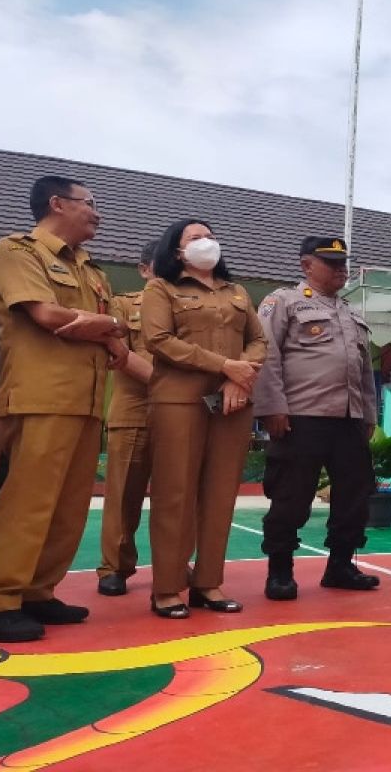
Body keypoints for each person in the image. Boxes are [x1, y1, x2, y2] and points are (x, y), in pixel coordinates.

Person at [0, 175, 128, 643]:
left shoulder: (91, 269)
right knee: (29, 502)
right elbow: (48, 316)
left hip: (85, 399)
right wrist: (110, 324)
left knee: (69, 506)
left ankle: (38, 591)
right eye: (90, 203)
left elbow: (108, 338)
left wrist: (104, 328)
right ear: (57, 203)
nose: (96, 212)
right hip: (41, 395)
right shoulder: (16, 251)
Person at [142, 219, 266, 618]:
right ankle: (167, 588)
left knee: (220, 494)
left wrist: (239, 379)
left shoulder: (237, 292)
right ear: (177, 251)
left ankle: (208, 583)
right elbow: (158, 340)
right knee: (174, 493)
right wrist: (226, 366)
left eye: (211, 236)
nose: (206, 243)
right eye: (195, 238)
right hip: (179, 400)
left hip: (231, 403)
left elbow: (258, 339)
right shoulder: (162, 287)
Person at [252, 236, 380, 600]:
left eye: (343, 263)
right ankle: (280, 571)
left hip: (349, 419)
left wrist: (367, 414)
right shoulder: (284, 302)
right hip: (300, 417)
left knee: (354, 497)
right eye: (330, 263)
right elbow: (267, 356)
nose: (341, 269)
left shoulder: (351, 312)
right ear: (306, 265)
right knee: (291, 496)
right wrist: (272, 407)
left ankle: (340, 566)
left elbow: (363, 370)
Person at [95, 241, 157, 597]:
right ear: (144, 269)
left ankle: (174, 562)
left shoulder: (189, 307)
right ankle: (114, 568)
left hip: (181, 414)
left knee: (177, 497)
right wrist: (169, 387)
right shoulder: (122, 304)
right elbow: (119, 354)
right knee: (123, 495)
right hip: (134, 409)